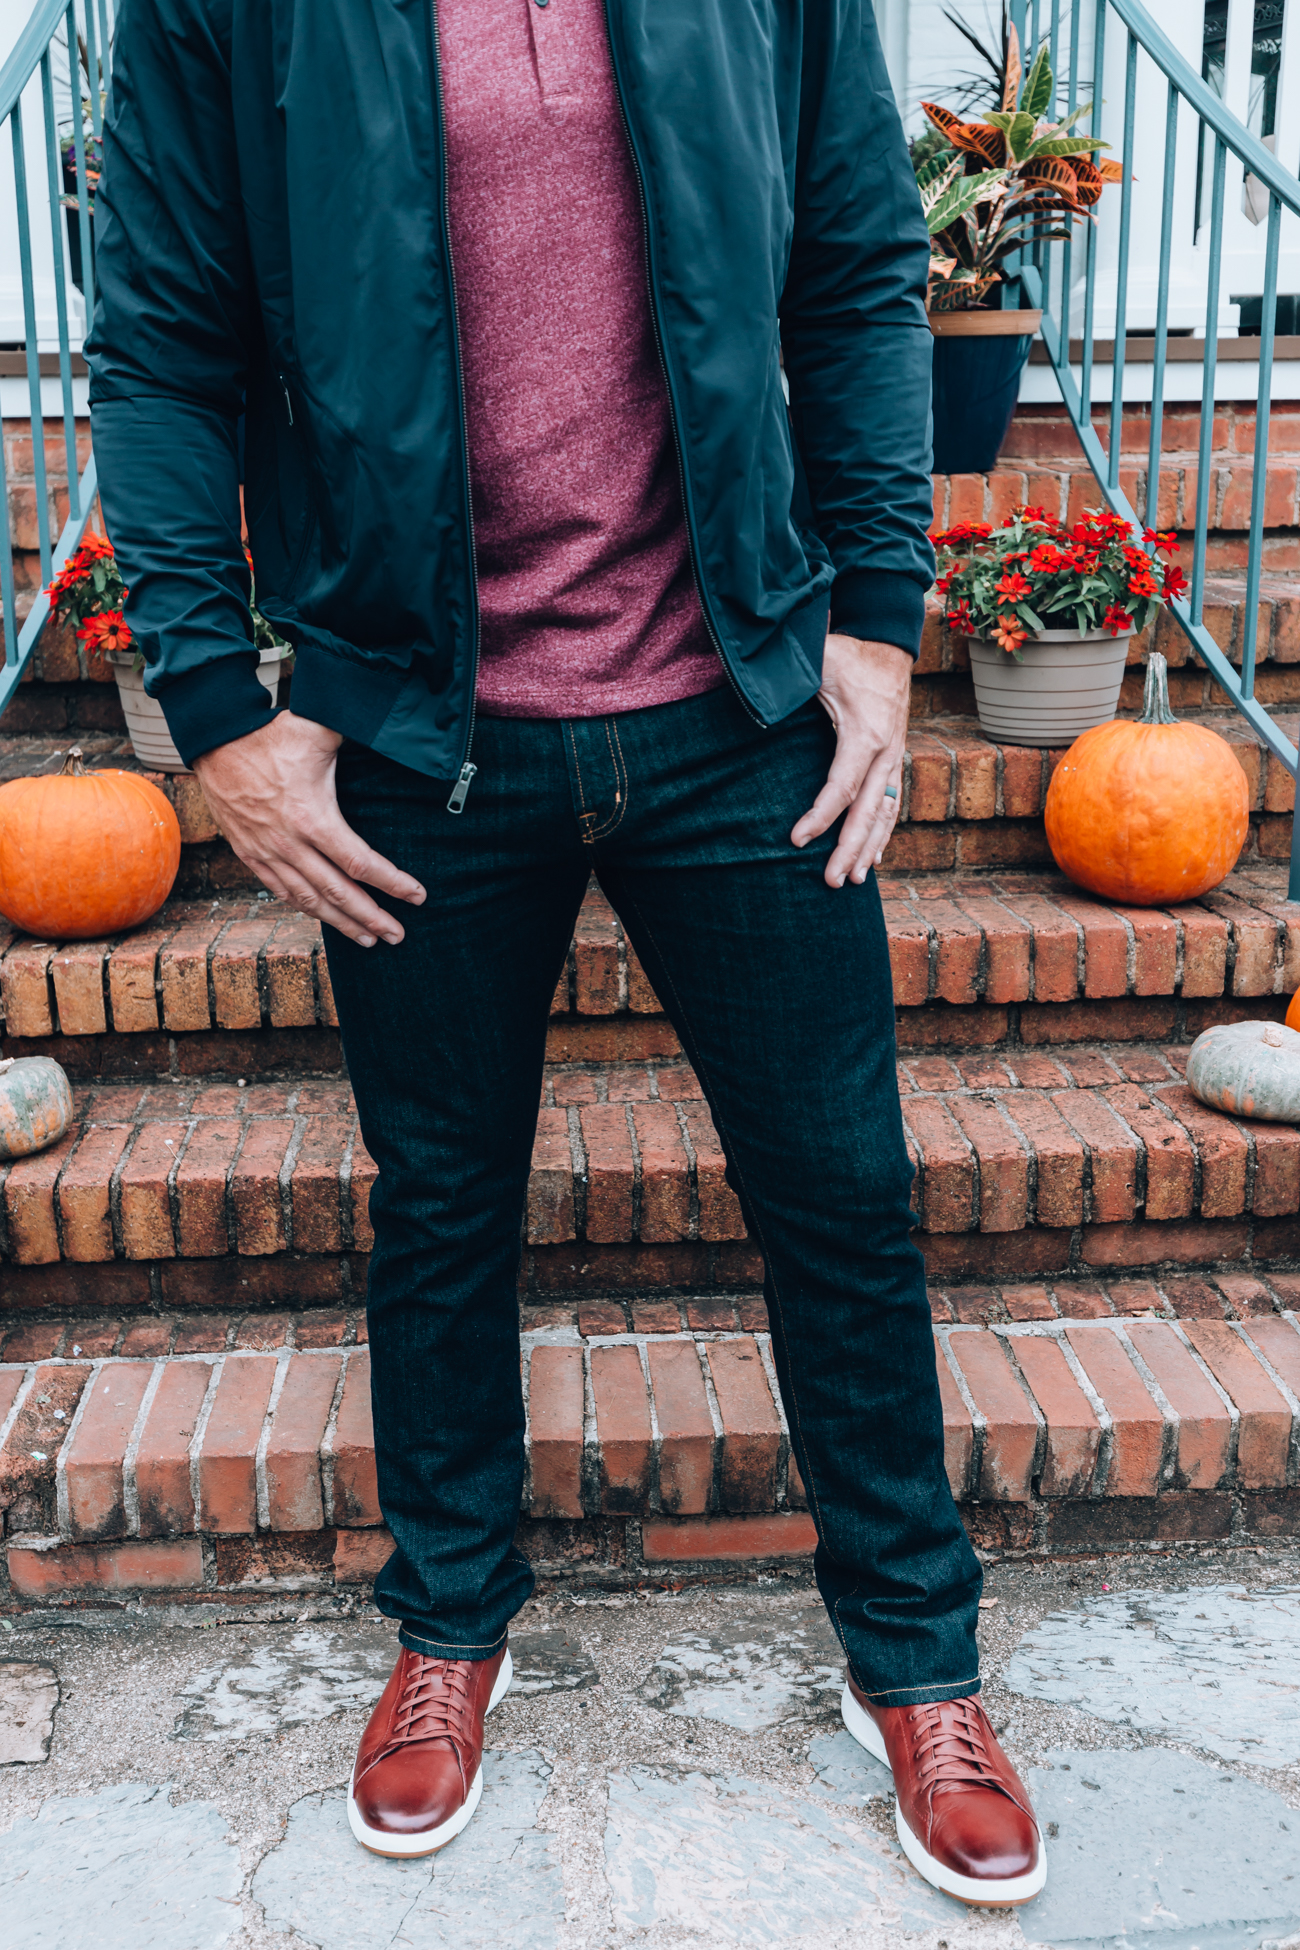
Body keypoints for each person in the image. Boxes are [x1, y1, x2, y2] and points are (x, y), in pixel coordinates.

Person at [87, 0, 1045, 1905]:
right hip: (418, 727)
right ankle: (451, 1624)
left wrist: (877, 616)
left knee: (844, 1197)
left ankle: (918, 1662)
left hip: (738, 705)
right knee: (441, 1203)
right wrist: (211, 703)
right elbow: (166, 338)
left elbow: (858, 267)